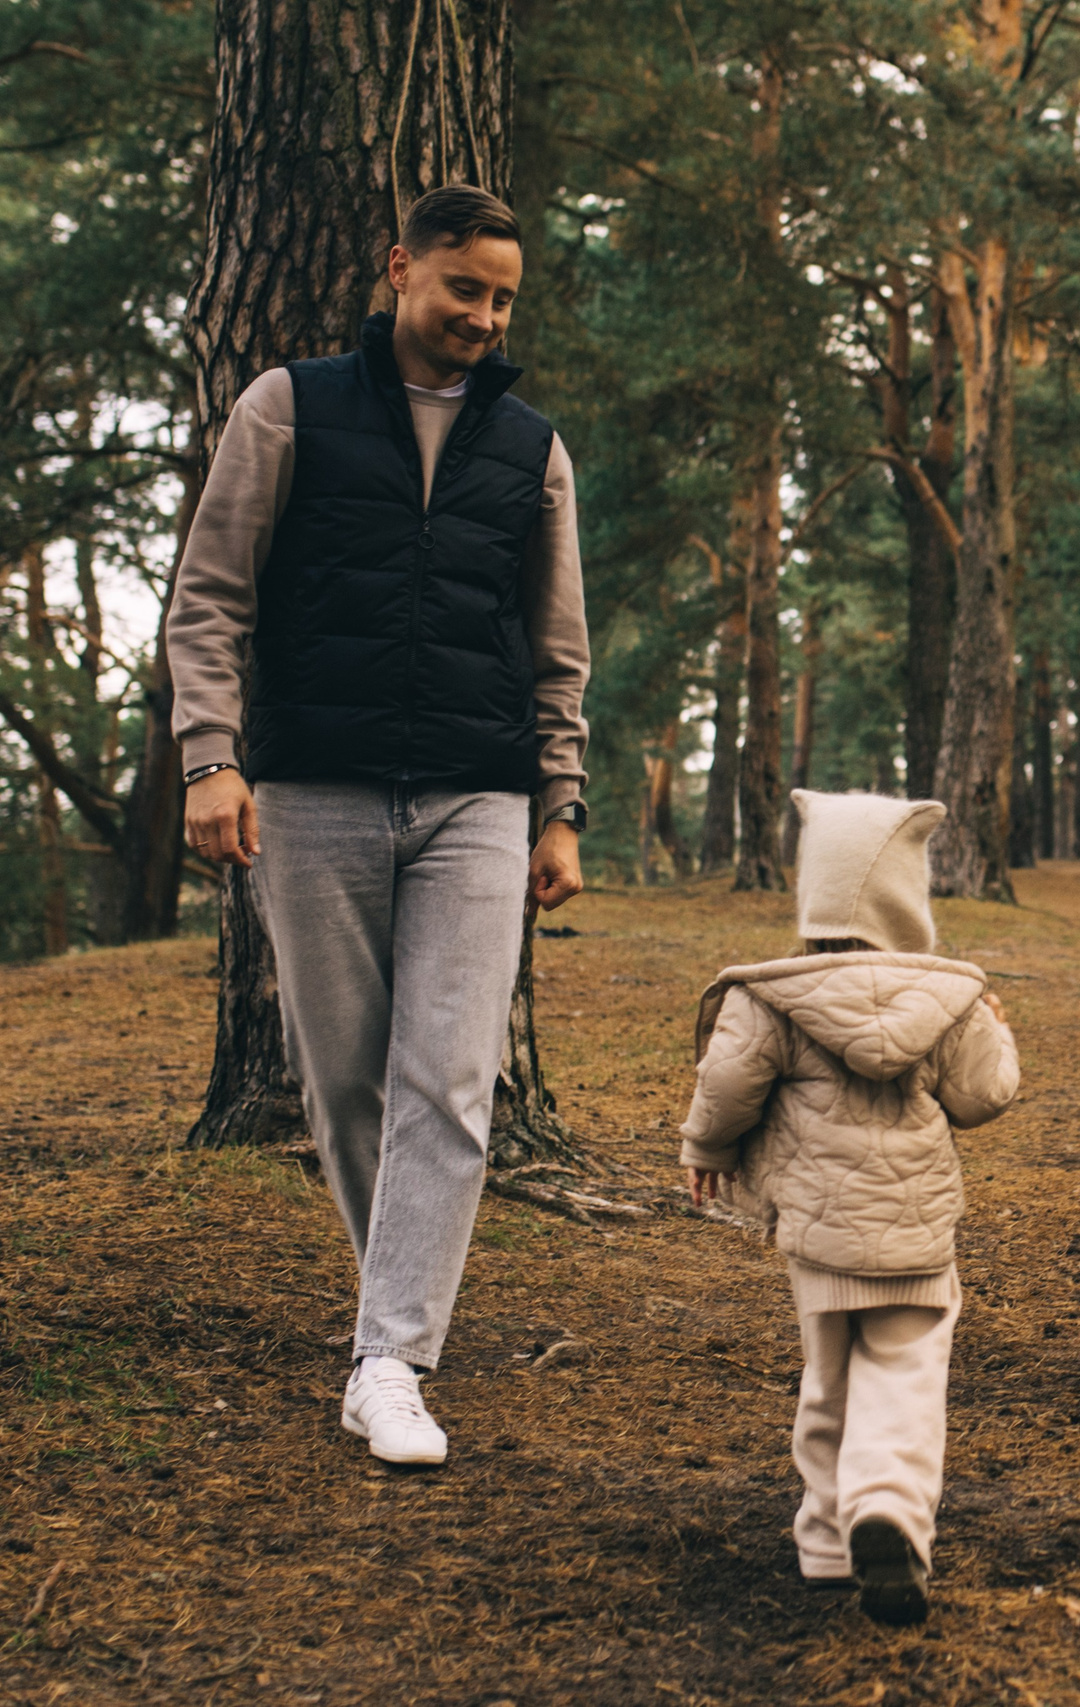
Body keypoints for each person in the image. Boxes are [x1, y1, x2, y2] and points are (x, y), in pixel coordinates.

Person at [165, 184, 591, 1467]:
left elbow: (556, 648)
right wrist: (208, 758)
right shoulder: (287, 408)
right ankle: (390, 1310)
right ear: (401, 269)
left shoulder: (531, 449)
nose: (483, 314)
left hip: (477, 792)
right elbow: (210, 595)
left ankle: (391, 1360)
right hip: (313, 790)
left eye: (504, 297)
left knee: (452, 1081)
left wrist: (559, 805)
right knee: (347, 1083)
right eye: (463, 286)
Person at [679, 790, 1019, 1628]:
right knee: (902, 1374)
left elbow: (725, 1090)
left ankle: (828, 1540)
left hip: (819, 1240)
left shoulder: (770, 996)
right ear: (908, 902)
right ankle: (889, 1512)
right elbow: (987, 1095)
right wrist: (996, 1029)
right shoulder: (949, 999)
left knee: (827, 1379)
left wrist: (705, 1151)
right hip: (914, 1237)